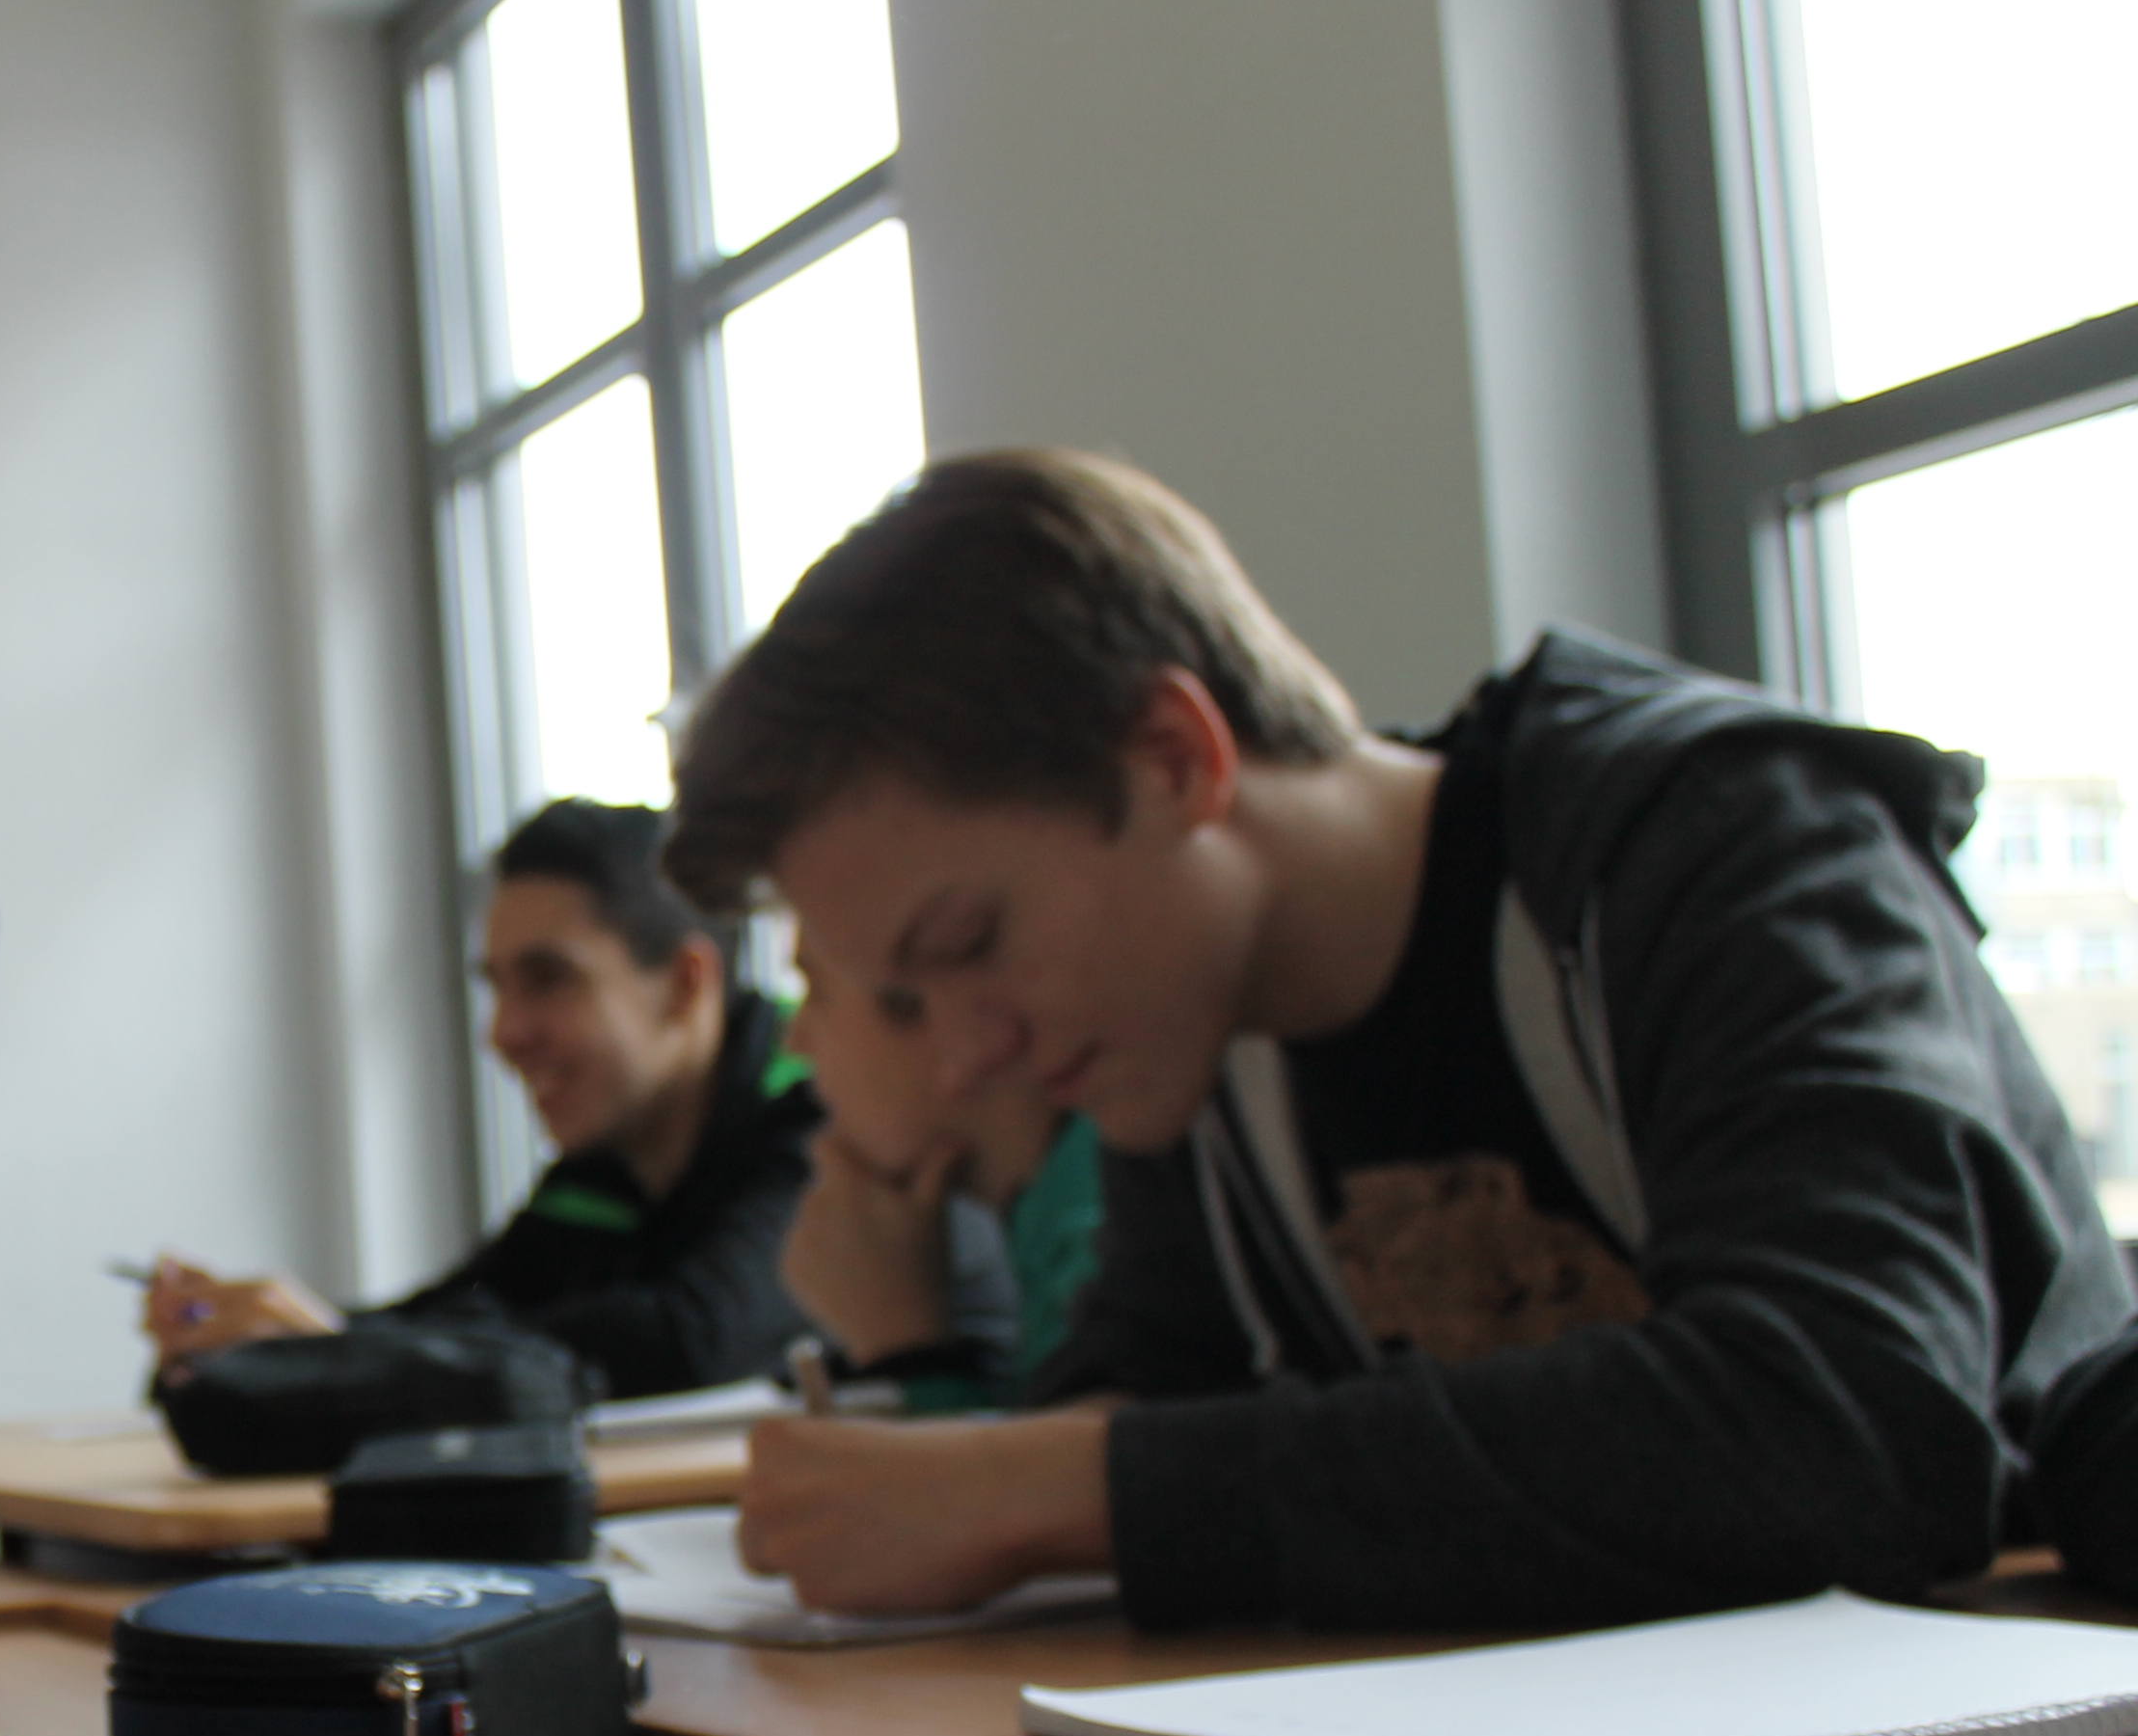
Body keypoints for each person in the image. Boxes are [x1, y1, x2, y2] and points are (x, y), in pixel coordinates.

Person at [663, 447, 2133, 1628]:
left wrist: (1067, 1486)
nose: (963, 1057)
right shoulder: (1188, 1042)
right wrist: (1007, 1474)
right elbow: (1148, 1408)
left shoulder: (1720, 845)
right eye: (909, 1001)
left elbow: (1857, 1423)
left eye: (968, 944)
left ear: (1175, 759)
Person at [146, 800, 1010, 1401]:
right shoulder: (611, 1160)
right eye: (495, 987)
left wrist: (342, 1353)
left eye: (549, 981)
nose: (504, 1033)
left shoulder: (825, 1106)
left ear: (686, 984)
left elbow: (693, 1339)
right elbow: (469, 1311)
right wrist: (267, 1339)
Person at [776, 946, 1102, 1412]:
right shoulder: (1050, 1196)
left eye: (817, 993)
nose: (795, 1041)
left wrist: (906, 1348)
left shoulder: (1098, 1216)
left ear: (954, 1020)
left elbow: (1074, 1455)